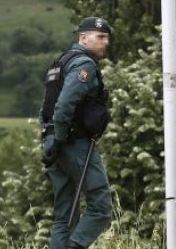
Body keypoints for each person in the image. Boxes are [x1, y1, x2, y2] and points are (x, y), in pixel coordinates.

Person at [40, 17, 113, 249]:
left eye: (107, 37)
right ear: (83, 37)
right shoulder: (84, 64)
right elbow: (63, 105)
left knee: (65, 215)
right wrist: (61, 139)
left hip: (54, 142)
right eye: (100, 37)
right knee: (101, 209)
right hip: (74, 143)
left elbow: (46, 108)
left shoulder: (60, 62)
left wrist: (51, 141)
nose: (106, 42)